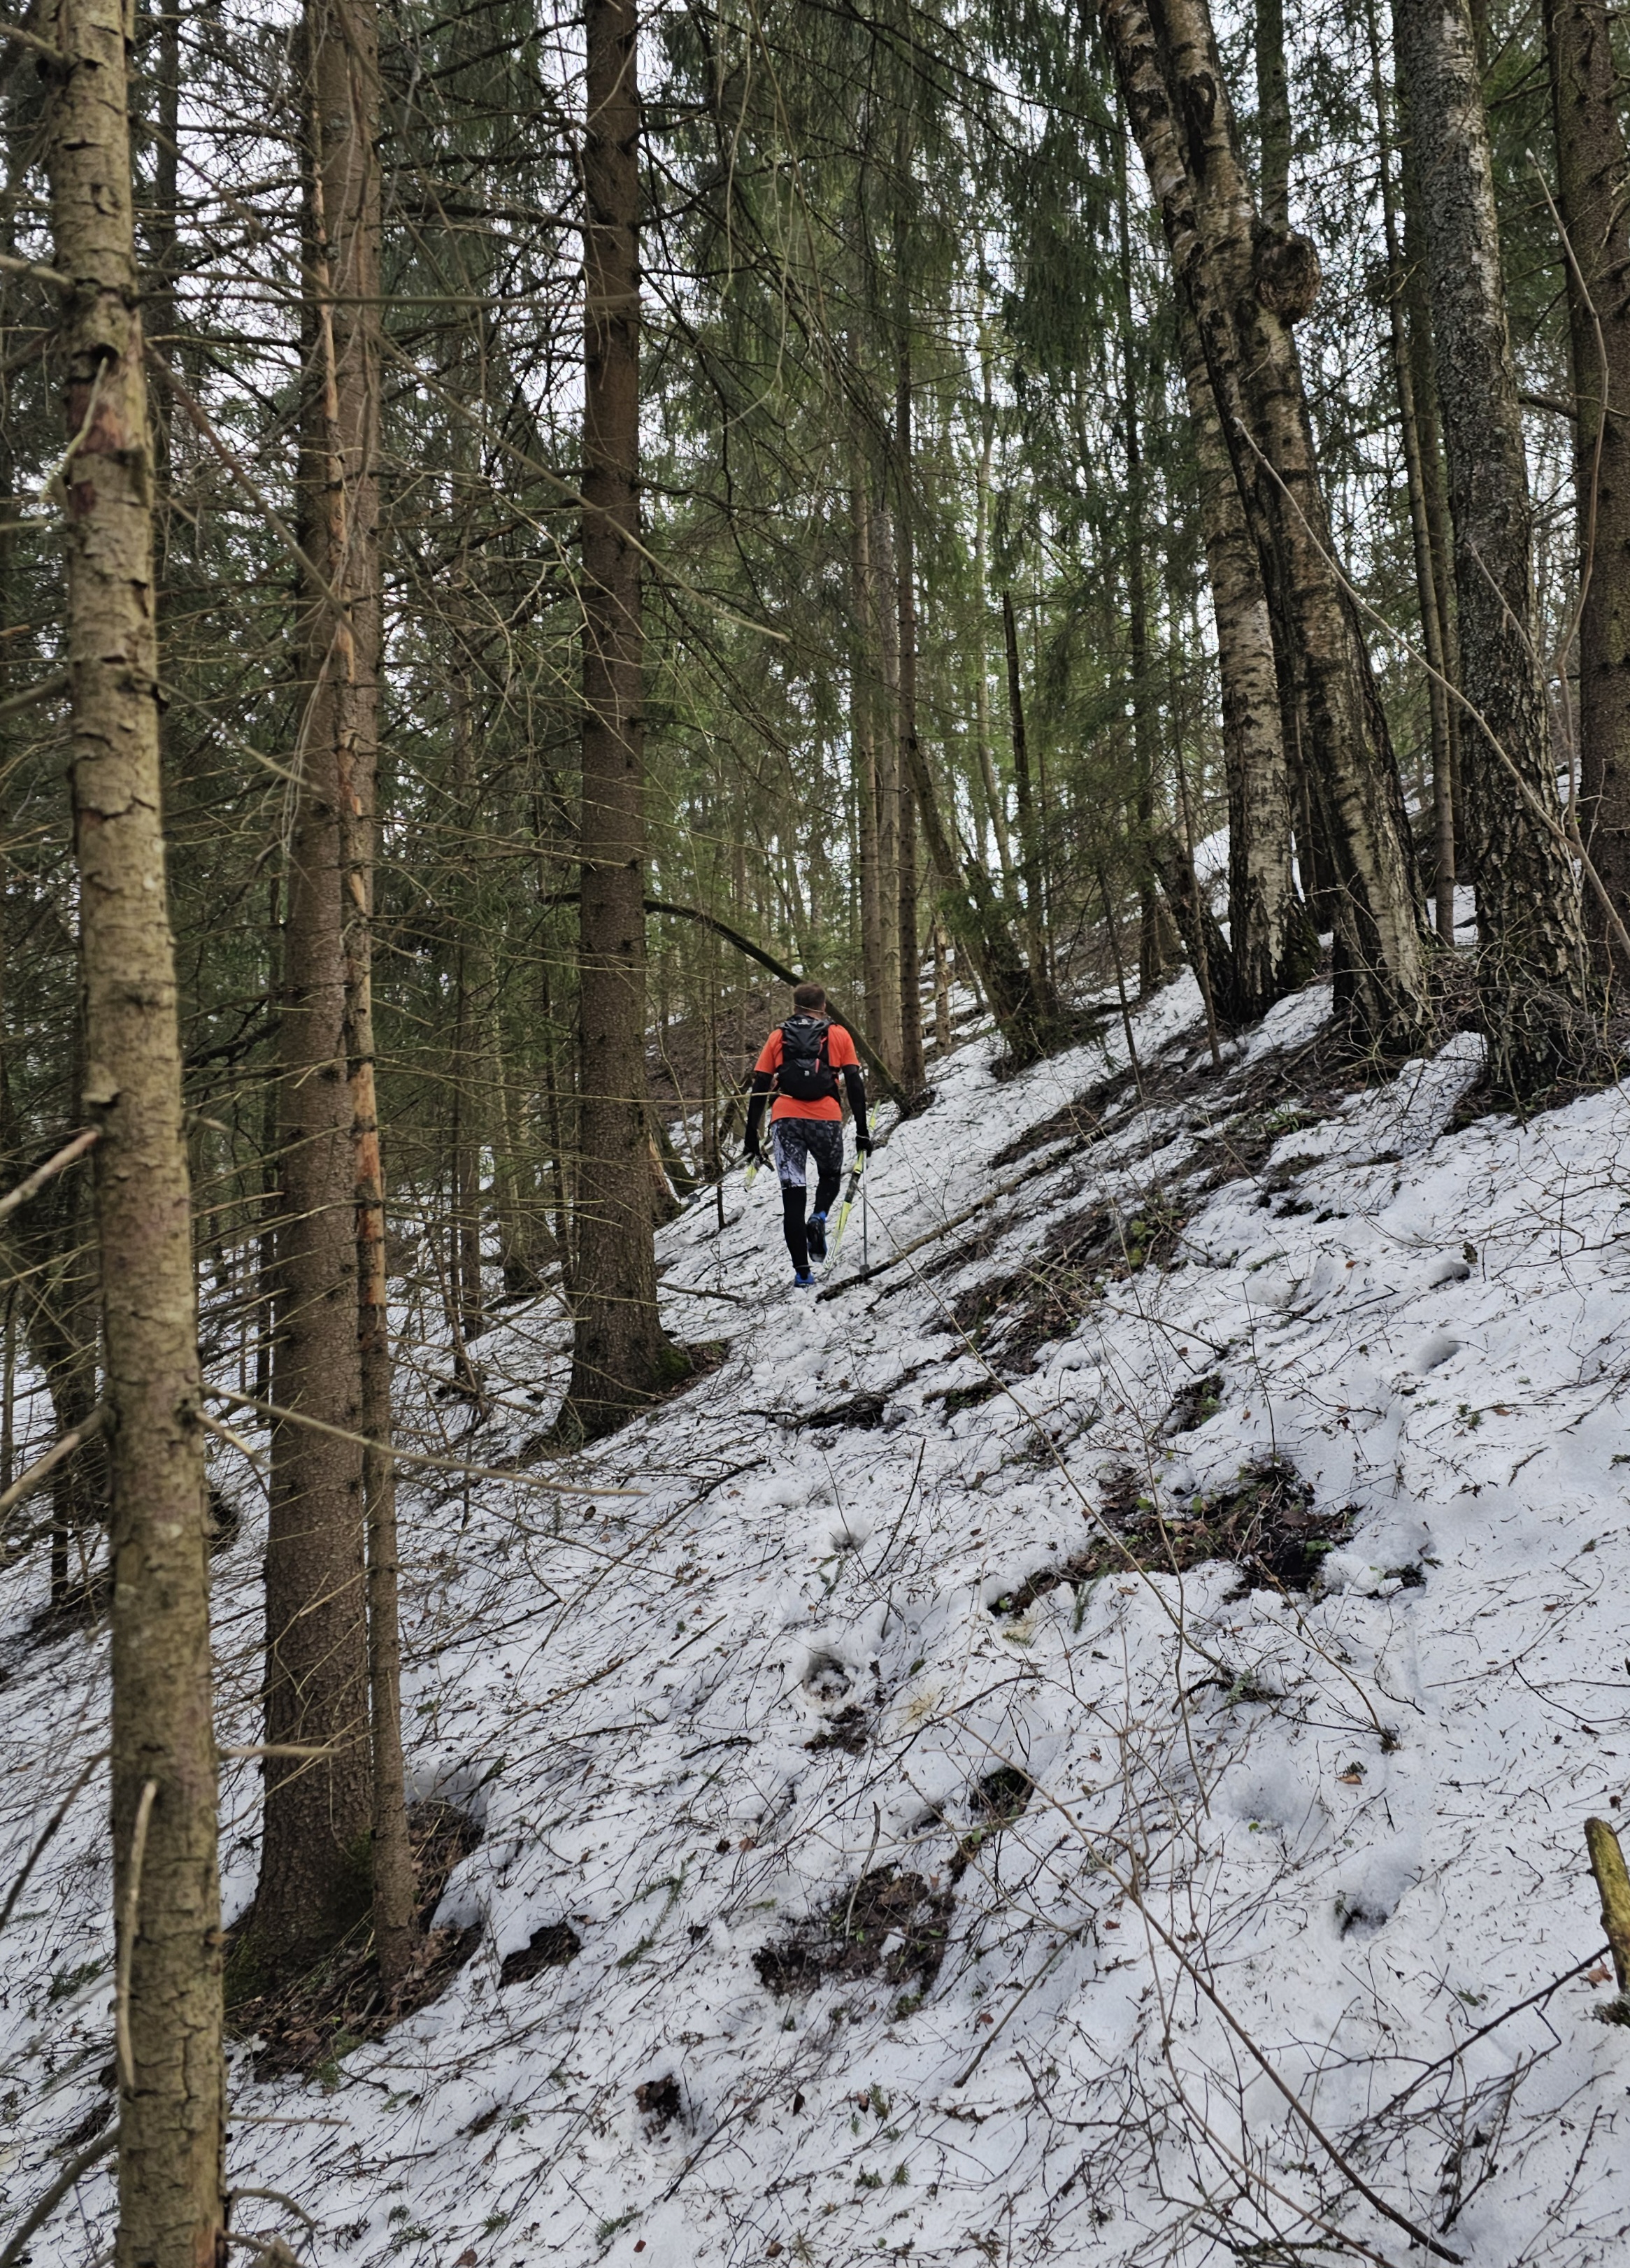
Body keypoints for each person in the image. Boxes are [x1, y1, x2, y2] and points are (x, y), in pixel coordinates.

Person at [744, 981, 871, 1286]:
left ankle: (803, 1273)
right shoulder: (838, 1034)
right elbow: (854, 1082)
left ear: (795, 1006)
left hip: (785, 1120)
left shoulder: (778, 1036)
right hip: (826, 1119)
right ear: (823, 1006)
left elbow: (760, 1084)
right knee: (829, 1176)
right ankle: (820, 1215)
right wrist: (862, 1130)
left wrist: (751, 1134)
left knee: (792, 1197)